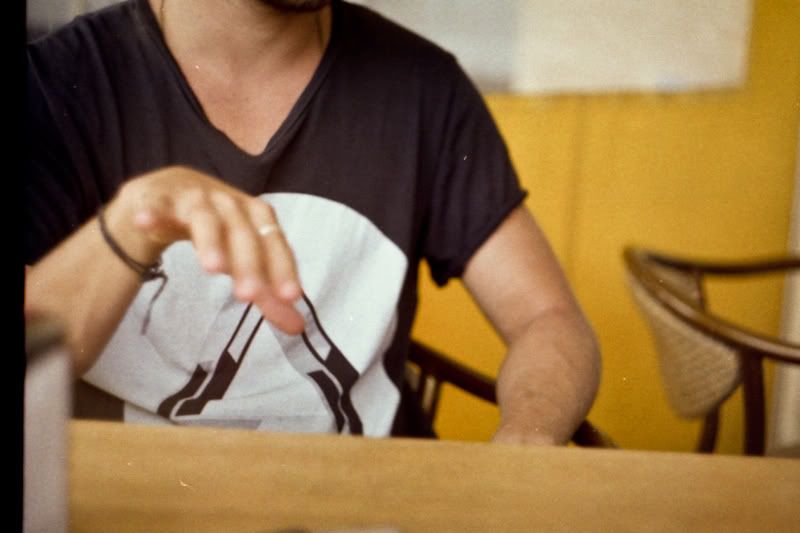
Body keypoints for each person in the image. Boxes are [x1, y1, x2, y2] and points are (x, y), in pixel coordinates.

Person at [25, 0, 600, 445]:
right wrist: (134, 224)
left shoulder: (423, 87)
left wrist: (526, 441)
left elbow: (547, 318)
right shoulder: (54, 86)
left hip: (364, 508)